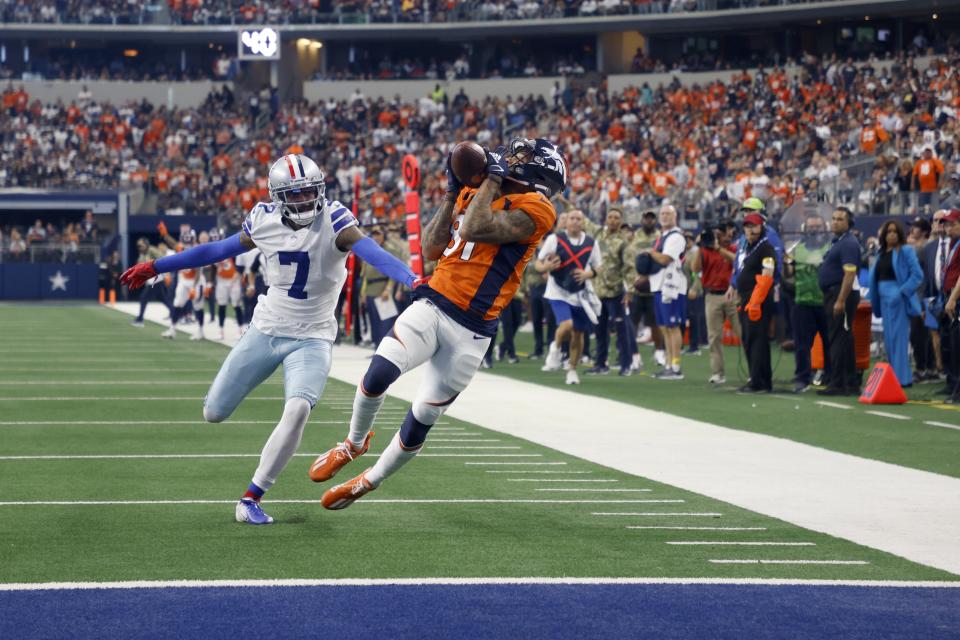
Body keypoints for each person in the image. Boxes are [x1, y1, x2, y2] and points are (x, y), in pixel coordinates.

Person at [120, 153, 418, 525]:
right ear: (278, 197)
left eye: (310, 192)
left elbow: (370, 250)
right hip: (267, 328)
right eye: (294, 195)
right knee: (213, 413)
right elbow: (216, 251)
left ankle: (250, 497)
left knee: (298, 410)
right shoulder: (262, 219)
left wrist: (411, 279)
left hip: (312, 337)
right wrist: (157, 266)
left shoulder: (335, 218)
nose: (305, 200)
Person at [310, 137, 565, 510]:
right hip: (434, 302)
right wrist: (451, 193)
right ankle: (353, 444)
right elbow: (431, 248)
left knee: (423, 416)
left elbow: (475, 230)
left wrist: (490, 181)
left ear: (541, 170)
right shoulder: (475, 190)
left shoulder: (537, 207)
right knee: (378, 373)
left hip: (473, 329)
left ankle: (368, 481)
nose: (510, 158)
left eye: (522, 156)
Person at [537, 208, 602, 385]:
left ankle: (572, 370)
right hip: (557, 290)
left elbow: (599, 266)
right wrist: (546, 267)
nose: (575, 221)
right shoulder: (555, 239)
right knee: (567, 325)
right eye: (572, 218)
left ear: (583, 222)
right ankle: (555, 347)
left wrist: (588, 274)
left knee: (579, 334)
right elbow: (538, 263)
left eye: (578, 219)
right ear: (566, 221)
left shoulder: (591, 243)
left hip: (580, 293)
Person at [867, 220, 923, 387]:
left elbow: (917, 275)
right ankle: (893, 377)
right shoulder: (880, 254)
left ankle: (902, 379)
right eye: (888, 231)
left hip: (897, 299)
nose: (891, 234)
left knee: (899, 339)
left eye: (894, 231)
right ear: (883, 235)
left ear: (899, 234)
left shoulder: (906, 251)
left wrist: (901, 292)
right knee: (889, 340)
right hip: (883, 300)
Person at [816, 206, 862, 396]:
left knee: (837, 339)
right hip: (835, 292)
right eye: (833, 218)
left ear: (849, 223)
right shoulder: (839, 241)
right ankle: (850, 382)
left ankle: (838, 383)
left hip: (840, 293)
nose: (834, 222)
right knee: (844, 338)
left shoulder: (848, 243)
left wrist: (841, 300)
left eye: (840, 219)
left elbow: (850, 274)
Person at [785, 214, 831, 393]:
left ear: (823, 228)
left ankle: (829, 376)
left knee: (829, 342)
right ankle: (802, 378)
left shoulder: (829, 249)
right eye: (811, 227)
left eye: (817, 227)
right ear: (805, 229)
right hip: (802, 302)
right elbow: (787, 276)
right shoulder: (795, 250)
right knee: (802, 344)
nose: (814, 230)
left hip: (824, 302)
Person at [690, 220, 738, 384]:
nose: (717, 237)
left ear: (728, 234)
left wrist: (719, 248)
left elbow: (737, 261)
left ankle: (755, 370)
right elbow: (695, 269)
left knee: (744, 333)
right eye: (715, 234)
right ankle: (718, 373)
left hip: (732, 294)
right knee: (714, 337)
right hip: (711, 295)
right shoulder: (705, 251)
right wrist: (699, 247)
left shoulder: (733, 247)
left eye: (720, 234)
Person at [643, 204, 687, 380]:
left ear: (675, 216)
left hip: (672, 287)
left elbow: (665, 258)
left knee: (672, 326)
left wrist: (649, 252)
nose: (665, 217)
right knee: (664, 327)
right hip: (659, 285)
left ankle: (675, 366)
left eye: (668, 214)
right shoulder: (663, 236)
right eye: (662, 214)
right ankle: (669, 363)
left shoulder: (676, 237)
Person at [587, 206, 633, 376]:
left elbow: (629, 268)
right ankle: (600, 363)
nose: (613, 220)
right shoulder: (598, 235)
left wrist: (630, 291)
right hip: (598, 292)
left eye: (616, 217)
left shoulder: (623, 242)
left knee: (621, 330)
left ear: (620, 221)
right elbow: (585, 221)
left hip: (615, 293)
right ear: (606, 219)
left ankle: (626, 364)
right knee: (600, 330)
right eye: (610, 217)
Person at [735, 213, 777, 393]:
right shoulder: (751, 248)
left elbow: (767, 276)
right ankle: (760, 379)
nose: (750, 229)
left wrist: (755, 302)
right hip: (747, 299)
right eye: (747, 226)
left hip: (757, 301)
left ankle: (758, 382)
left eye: (754, 226)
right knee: (750, 339)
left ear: (761, 228)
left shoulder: (766, 248)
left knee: (756, 340)